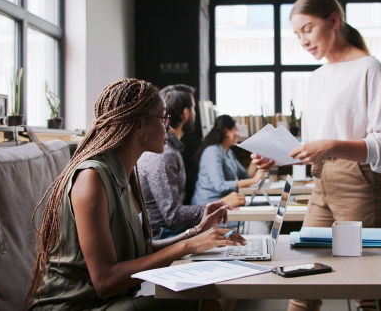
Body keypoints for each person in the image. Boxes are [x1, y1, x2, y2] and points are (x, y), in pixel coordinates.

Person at [24, 78, 246, 311]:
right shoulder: (92, 178)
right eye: (163, 118)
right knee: (203, 299)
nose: (168, 127)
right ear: (140, 125)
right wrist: (187, 247)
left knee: (207, 294)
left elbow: (142, 250)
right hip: (74, 306)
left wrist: (195, 233)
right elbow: (105, 282)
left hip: (108, 300)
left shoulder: (127, 173)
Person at [280, 0, 381, 311]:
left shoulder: (369, 68)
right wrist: (279, 156)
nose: (303, 40)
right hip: (323, 183)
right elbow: (313, 145)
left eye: (308, 28)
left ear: (333, 21)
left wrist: (334, 145)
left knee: (367, 290)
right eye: (297, 34)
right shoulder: (317, 77)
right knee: (303, 278)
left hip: (360, 185)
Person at [137, 84, 246, 240]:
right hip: (164, 236)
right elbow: (172, 216)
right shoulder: (165, 154)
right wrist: (220, 204)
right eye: (194, 108)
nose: (195, 113)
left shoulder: (171, 149)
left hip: (171, 232)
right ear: (186, 113)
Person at [192, 114, 267, 206]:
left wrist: (256, 159)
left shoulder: (228, 152)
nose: (238, 134)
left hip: (226, 203)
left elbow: (245, 175)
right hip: (209, 205)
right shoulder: (212, 151)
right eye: (236, 130)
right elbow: (220, 186)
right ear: (226, 131)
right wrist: (254, 180)